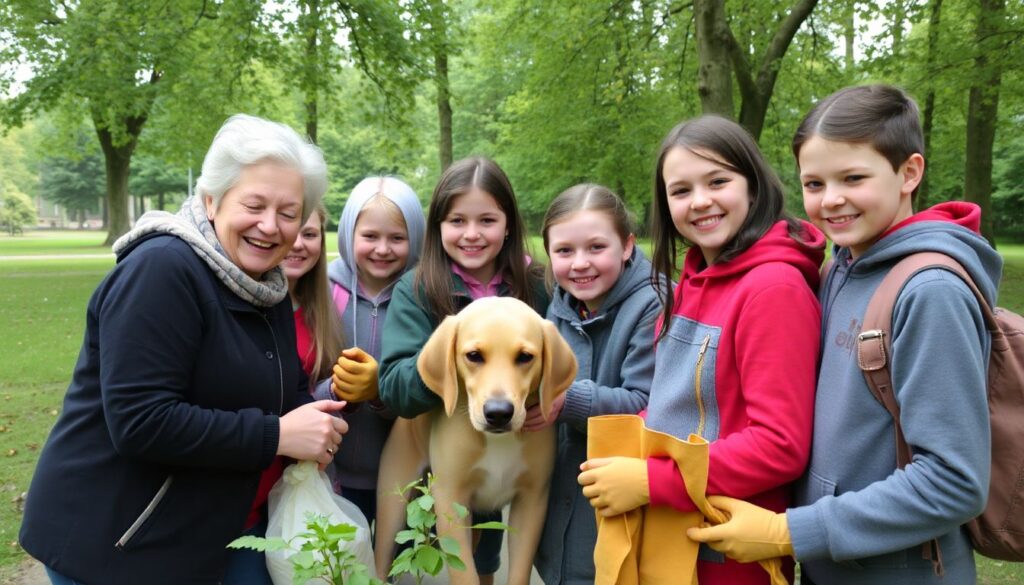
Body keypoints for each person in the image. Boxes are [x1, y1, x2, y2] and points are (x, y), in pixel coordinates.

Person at [687, 85, 1001, 584]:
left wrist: (787, 531)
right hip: (830, 566)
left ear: (909, 173)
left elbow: (954, 482)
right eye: (814, 184)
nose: (831, 200)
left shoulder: (930, 291)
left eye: (853, 178)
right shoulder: (841, 268)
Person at [19, 114, 350, 585]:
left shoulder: (264, 285)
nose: (270, 226)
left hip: (215, 534)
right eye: (254, 204)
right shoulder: (162, 269)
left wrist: (321, 414)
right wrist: (276, 435)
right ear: (211, 200)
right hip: (119, 545)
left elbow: (287, 388)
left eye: (289, 212)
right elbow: (140, 421)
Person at [577, 115, 825, 584]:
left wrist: (652, 481)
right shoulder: (689, 280)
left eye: (718, 181)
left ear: (753, 185)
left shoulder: (774, 288)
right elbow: (680, 404)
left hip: (724, 555)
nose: (701, 201)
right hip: (668, 540)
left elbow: (780, 445)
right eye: (681, 190)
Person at [378, 156, 548, 583]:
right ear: (438, 226)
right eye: (457, 221)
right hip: (444, 428)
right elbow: (395, 384)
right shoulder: (418, 287)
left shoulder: (541, 286)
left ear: (509, 224)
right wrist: (452, 362)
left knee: (488, 552)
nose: (472, 234)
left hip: (520, 431)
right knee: (399, 542)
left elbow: (563, 351)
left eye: (487, 220)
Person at [529, 183, 659, 585]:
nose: (580, 263)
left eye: (596, 248)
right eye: (564, 251)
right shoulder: (559, 305)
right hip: (558, 513)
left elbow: (646, 402)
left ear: (626, 246)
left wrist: (565, 402)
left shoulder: (653, 303)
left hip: (623, 513)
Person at [323, 176, 426, 525]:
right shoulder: (322, 290)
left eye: (397, 238)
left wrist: (380, 391)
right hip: (328, 471)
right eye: (370, 236)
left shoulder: (423, 299)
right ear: (349, 234)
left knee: (389, 569)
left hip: (404, 476)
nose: (383, 249)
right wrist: (336, 391)